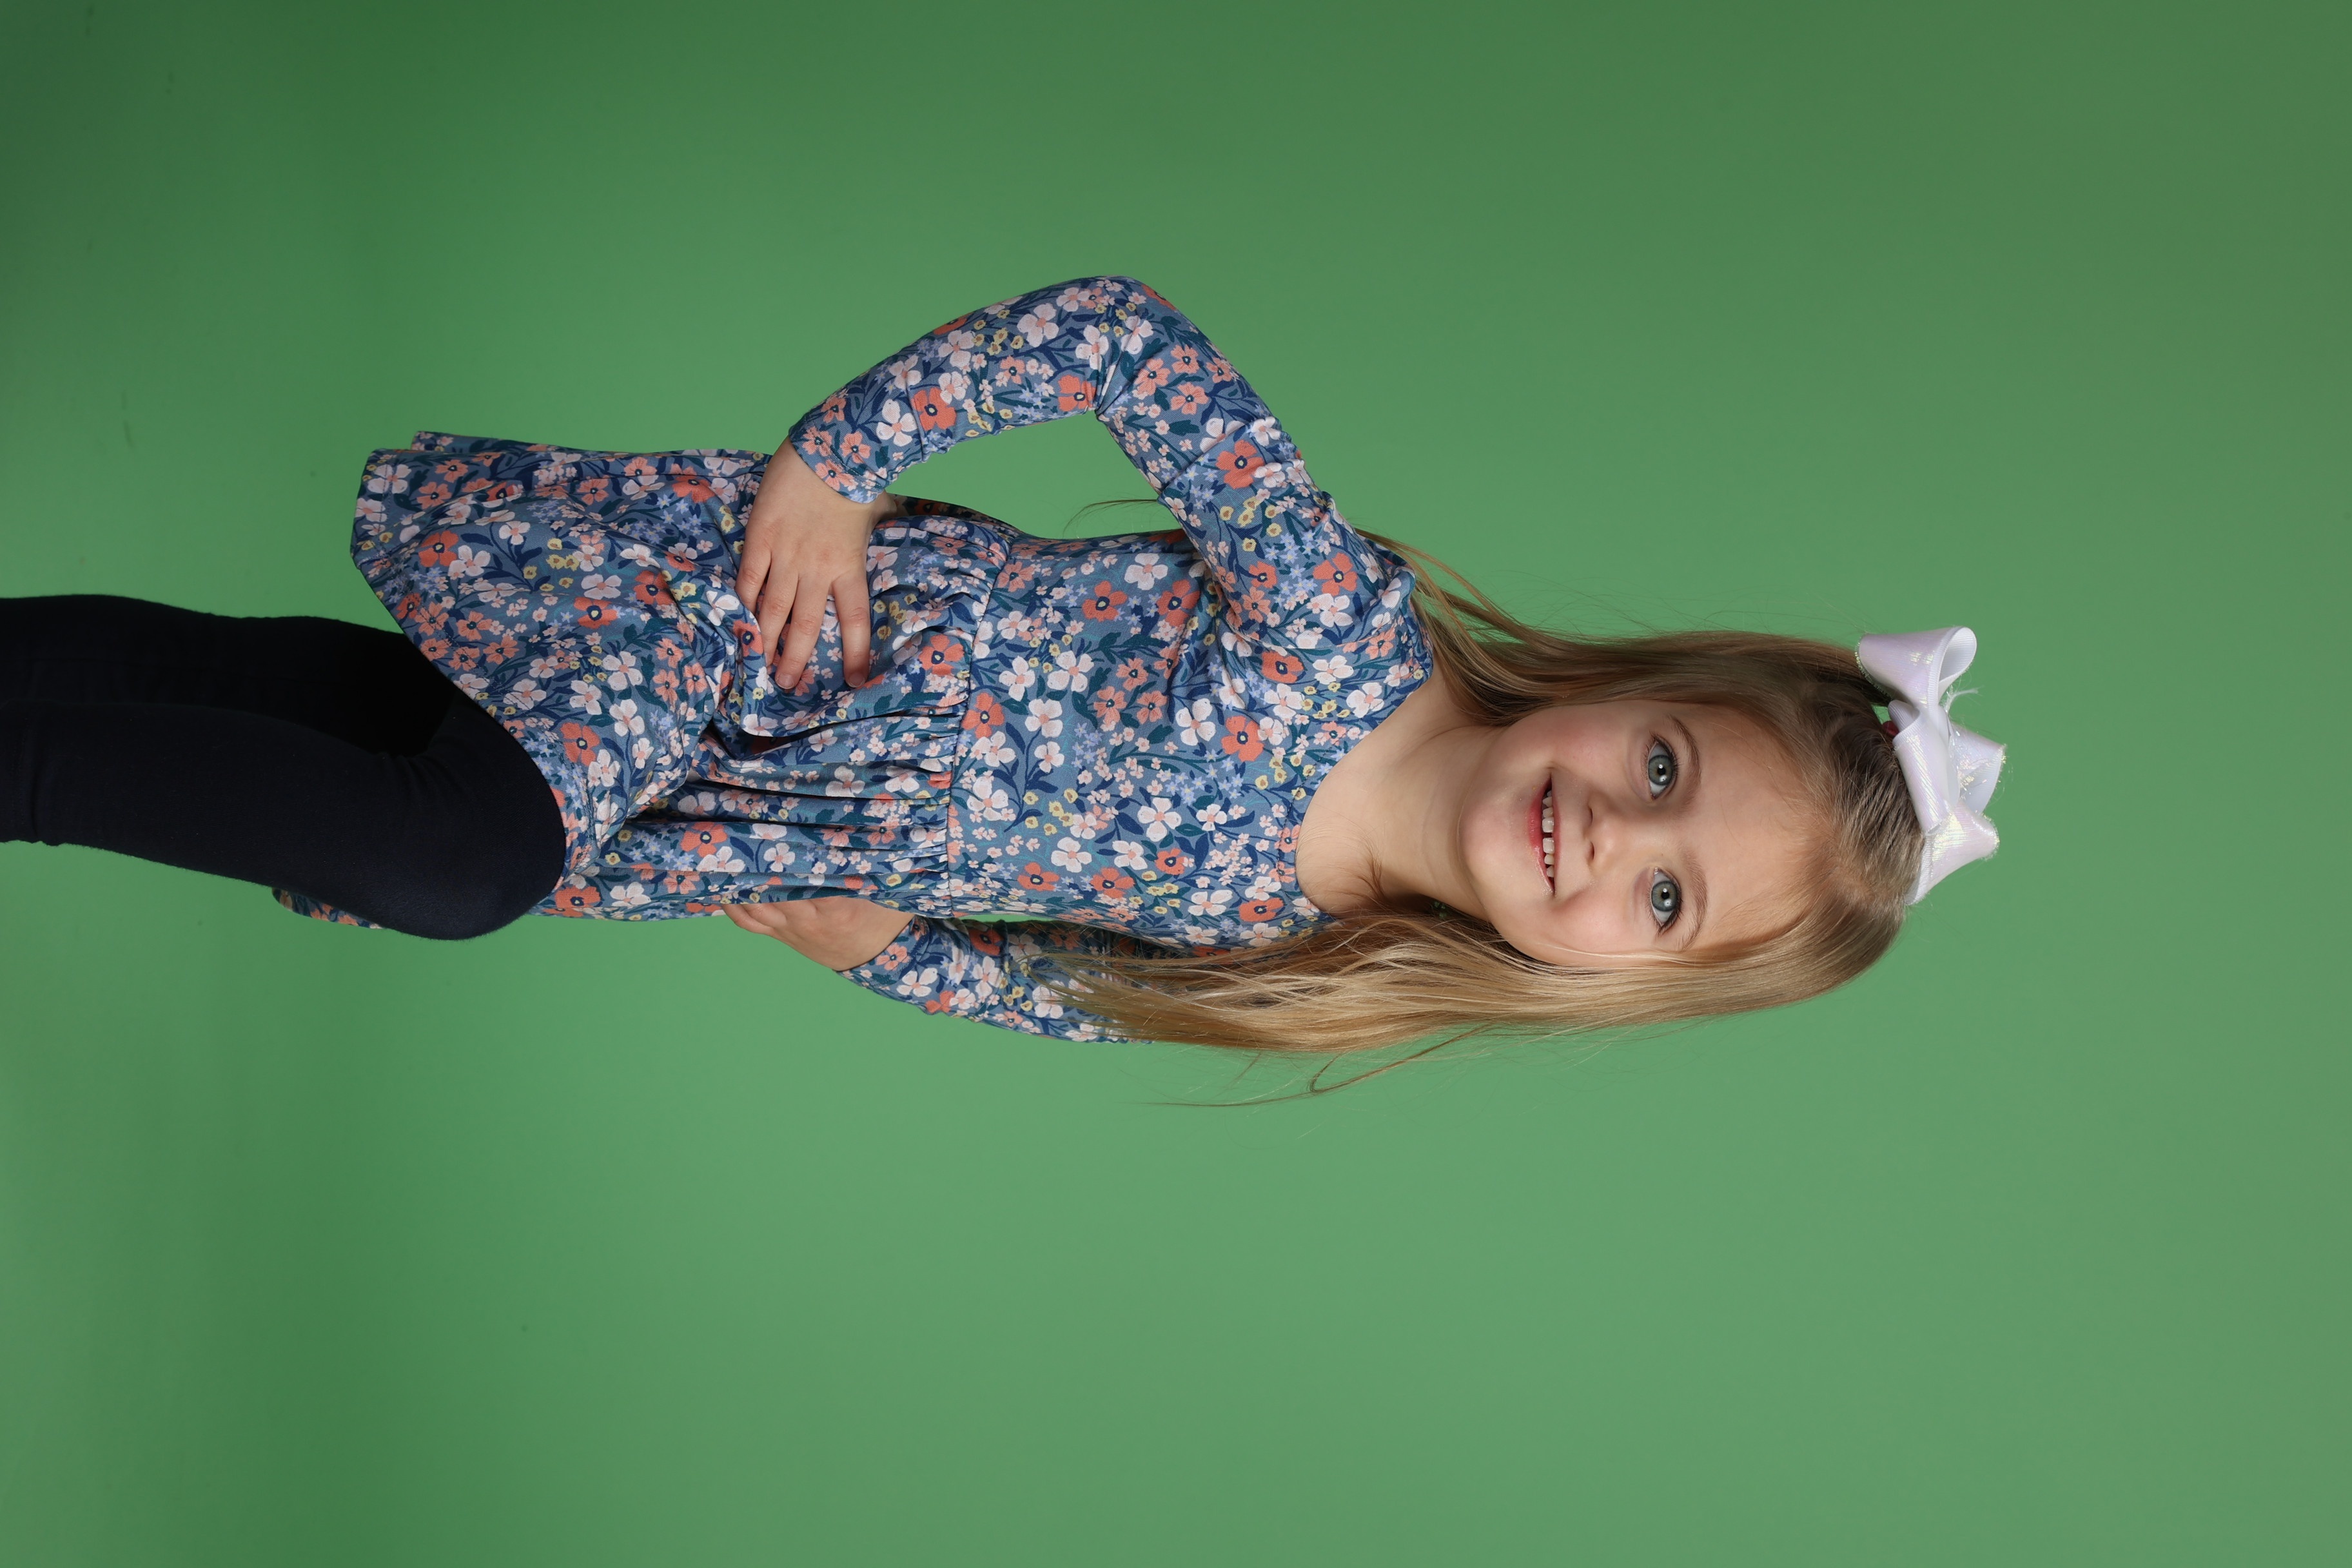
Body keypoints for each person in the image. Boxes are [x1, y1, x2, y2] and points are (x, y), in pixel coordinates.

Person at [0, 277, 2004, 1055]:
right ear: (1632, 693)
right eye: (1663, 769)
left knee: (298, 716)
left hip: (714, 800)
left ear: (1634, 977)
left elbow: (1070, 998)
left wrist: (884, 950)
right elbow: (1127, 345)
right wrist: (840, 462)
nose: (1611, 840)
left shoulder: (1306, 953)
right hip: (727, 634)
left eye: (1666, 900)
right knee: (451, 853)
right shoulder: (1335, 628)